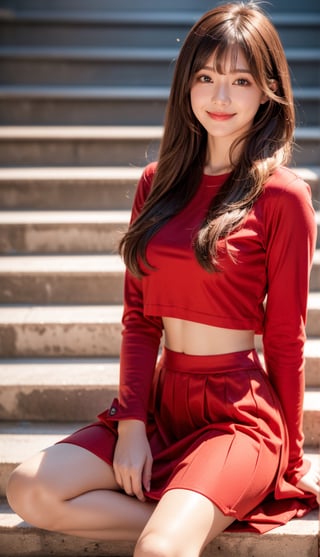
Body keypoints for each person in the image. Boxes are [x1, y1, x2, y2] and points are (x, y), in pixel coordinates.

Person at [6, 2, 319, 556]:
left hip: (237, 416)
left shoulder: (284, 196)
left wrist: (291, 458)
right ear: (186, 85)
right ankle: (181, 514)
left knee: (159, 550)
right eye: (206, 77)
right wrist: (131, 424)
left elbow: (286, 339)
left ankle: (177, 523)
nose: (220, 98)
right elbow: (138, 317)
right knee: (31, 489)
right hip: (162, 402)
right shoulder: (157, 183)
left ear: (268, 89)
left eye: (240, 80)